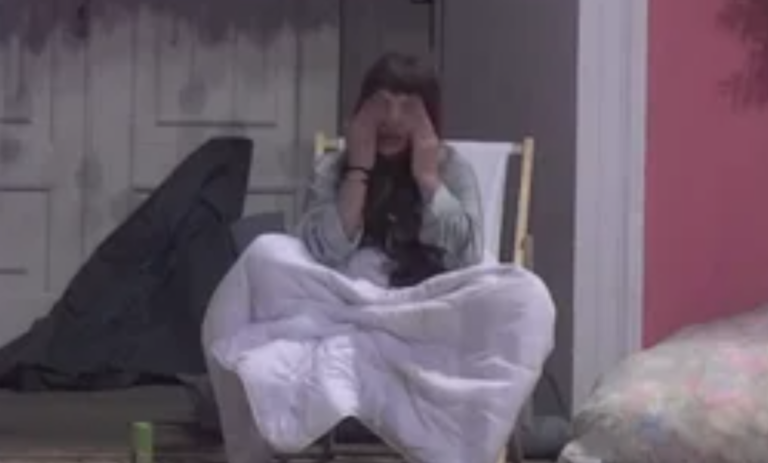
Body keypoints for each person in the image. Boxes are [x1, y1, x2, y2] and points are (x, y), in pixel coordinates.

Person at [296, 52, 484, 287]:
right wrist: (357, 171)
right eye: (381, 105)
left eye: (408, 108)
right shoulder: (330, 167)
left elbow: (469, 258)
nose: (393, 119)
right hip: (347, 293)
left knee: (521, 288)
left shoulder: (453, 168)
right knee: (265, 252)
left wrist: (428, 179)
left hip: (429, 296)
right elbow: (319, 252)